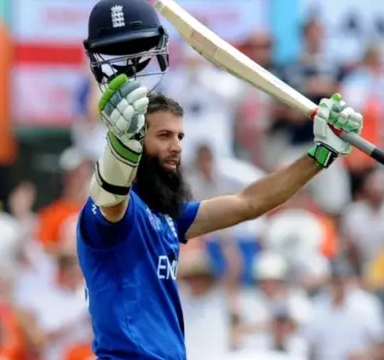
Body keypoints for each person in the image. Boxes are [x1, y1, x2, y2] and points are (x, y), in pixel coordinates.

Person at [77, 1, 363, 359]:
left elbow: (249, 203)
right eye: (164, 137)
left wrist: (320, 155)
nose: (176, 149)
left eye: (179, 138)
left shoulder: (166, 216)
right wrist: (120, 142)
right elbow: (110, 193)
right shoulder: (105, 218)